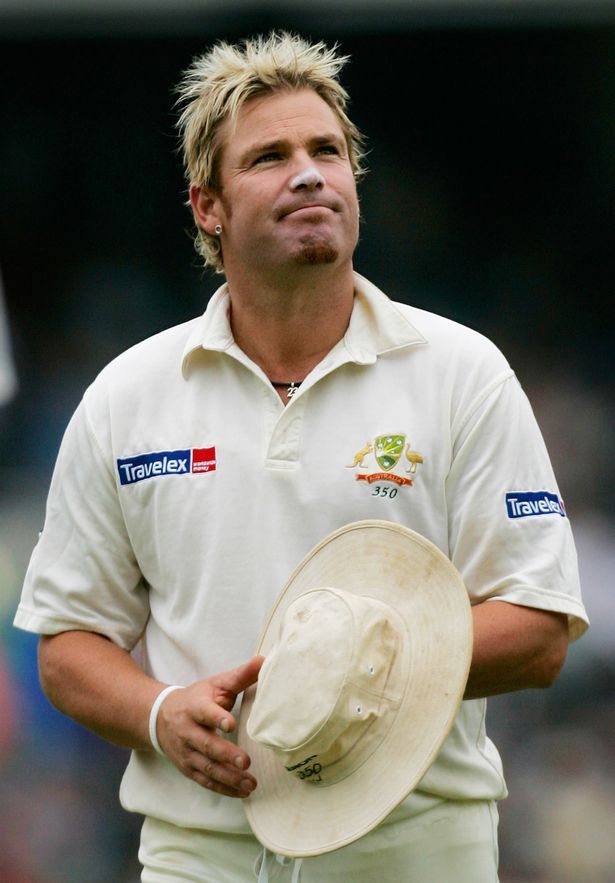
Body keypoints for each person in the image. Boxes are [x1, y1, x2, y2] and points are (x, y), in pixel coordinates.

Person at [15, 32, 588, 882]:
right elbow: (69, 642)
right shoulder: (127, 395)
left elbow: (539, 627)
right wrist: (161, 710)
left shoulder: (462, 372)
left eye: (328, 151)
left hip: (416, 854)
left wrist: (354, 671)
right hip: (198, 855)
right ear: (207, 205)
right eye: (270, 157)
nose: (310, 173)